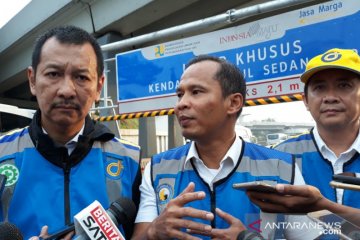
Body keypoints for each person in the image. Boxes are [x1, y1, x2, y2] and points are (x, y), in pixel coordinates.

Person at [132, 55, 320, 240]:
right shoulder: (157, 168)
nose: (182, 104)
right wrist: (154, 231)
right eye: (180, 94)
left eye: (196, 92)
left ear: (233, 103)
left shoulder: (281, 168)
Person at [0, 25, 141, 239]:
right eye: (53, 74)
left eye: (81, 77)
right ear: (32, 80)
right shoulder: (2, 154)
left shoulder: (129, 159)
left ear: (99, 86)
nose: (66, 90)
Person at [272, 48, 360, 208]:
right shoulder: (280, 157)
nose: (331, 97)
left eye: (344, 85)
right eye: (319, 88)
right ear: (305, 100)